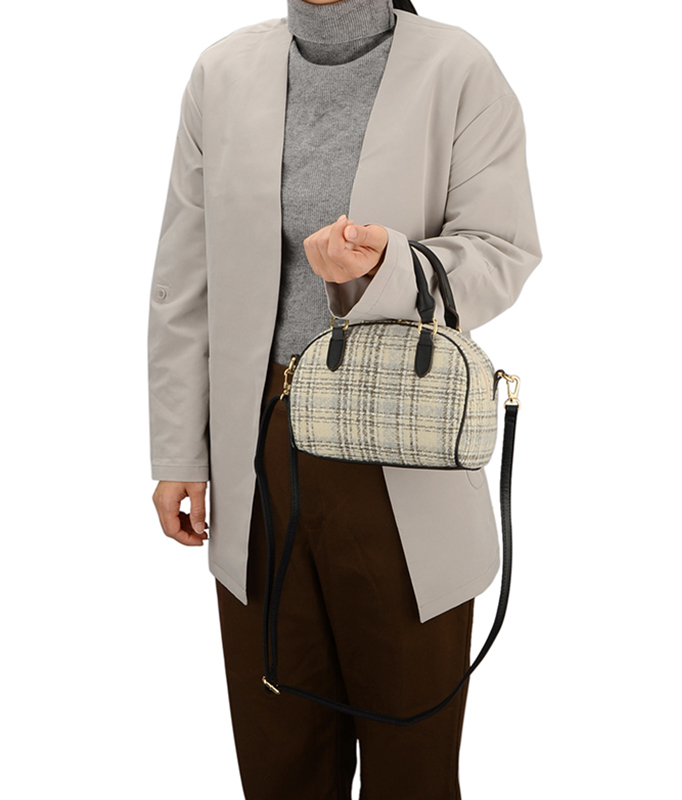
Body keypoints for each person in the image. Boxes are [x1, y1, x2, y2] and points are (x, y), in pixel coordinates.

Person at [147, 0, 542, 797]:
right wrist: (179, 449)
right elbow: (184, 278)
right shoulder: (222, 72)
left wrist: (386, 266)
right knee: (279, 757)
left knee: (411, 765)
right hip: (259, 448)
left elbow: (502, 251)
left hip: (401, 439)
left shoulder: (457, 67)